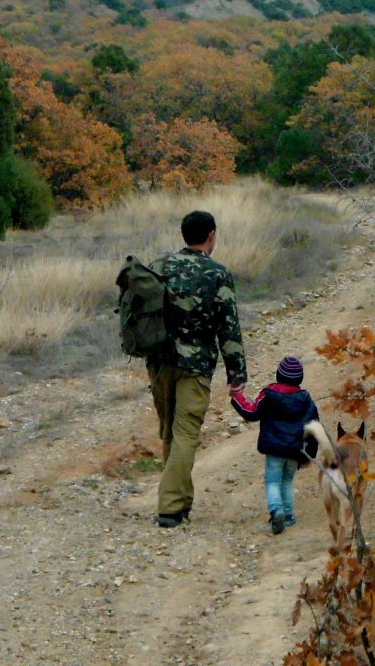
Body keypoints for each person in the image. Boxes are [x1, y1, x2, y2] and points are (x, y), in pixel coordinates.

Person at [148, 210, 247, 529]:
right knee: (186, 433)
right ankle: (170, 506)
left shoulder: (159, 265)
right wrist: (237, 375)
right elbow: (228, 328)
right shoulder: (218, 273)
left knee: (170, 431)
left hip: (160, 363)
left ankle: (180, 500)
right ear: (211, 235)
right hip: (196, 365)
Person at [230, 355, 319, 535]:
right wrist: (309, 455)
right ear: (300, 378)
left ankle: (276, 510)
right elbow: (314, 429)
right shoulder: (306, 399)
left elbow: (251, 412)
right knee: (287, 481)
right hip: (295, 451)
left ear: (278, 374)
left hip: (274, 450)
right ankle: (287, 515)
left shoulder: (269, 394)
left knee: (272, 481)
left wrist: (237, 396)